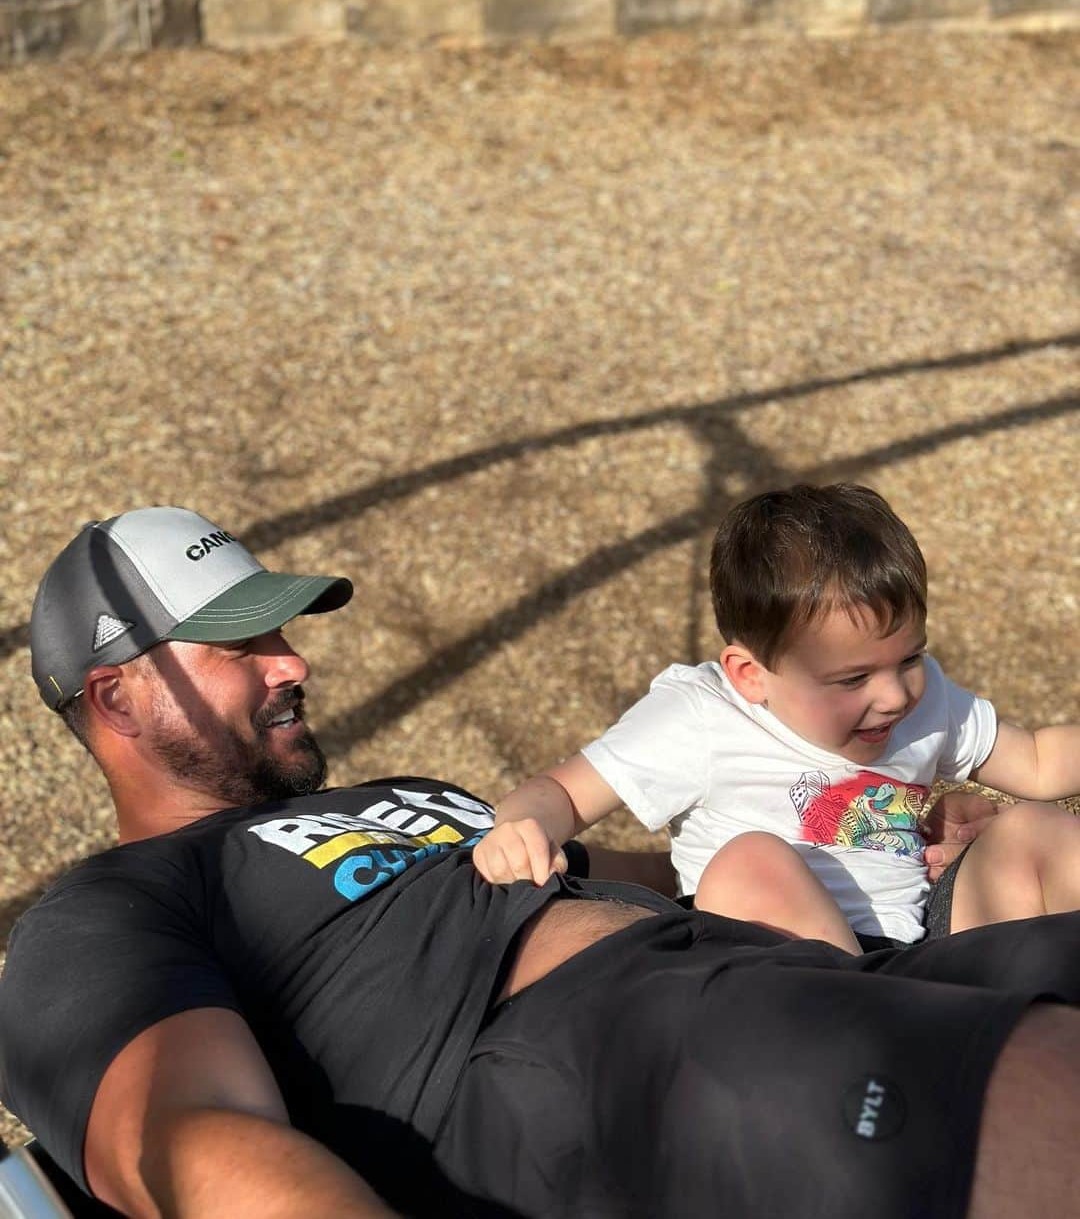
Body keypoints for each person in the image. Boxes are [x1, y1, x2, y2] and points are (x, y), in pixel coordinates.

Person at [3, 506, 1080, 1219]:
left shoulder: (403, 799)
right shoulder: (110, 911)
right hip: (631, 1058)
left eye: (283, 633)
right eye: (243, 649)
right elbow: (193, 1151)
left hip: (783, 962)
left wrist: (885, 823)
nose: (296, 663)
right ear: (119, 698)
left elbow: (650, 863)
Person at [474, 484, 1080, 955]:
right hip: (783, 970)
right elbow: (562, 792)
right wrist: (524, 826)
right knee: (748, 864)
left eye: (911, 658)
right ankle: (864, 1047)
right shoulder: (702, 717)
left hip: (923, 946)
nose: (895, 695)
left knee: (1035, 830)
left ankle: (1015, 1026)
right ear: (750, 675)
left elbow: (1037, 762)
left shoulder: (922, 704)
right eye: (853, 679)